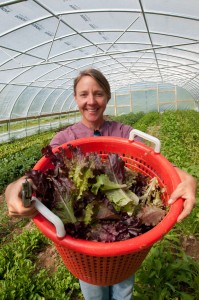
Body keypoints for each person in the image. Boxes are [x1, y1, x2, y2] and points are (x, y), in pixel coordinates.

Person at [5, 69, 197, 300]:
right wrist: (15, 188)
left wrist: (186, 177)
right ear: (76, 98)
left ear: (107, 97)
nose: (91, 101)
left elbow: (153, 163)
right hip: (84, 253)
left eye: (98, 94)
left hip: (125, 250)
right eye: (84, 94)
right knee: (93, 289)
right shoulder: (64, 140)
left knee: (123, 288)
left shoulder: (125, 133)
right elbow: (37, 175)